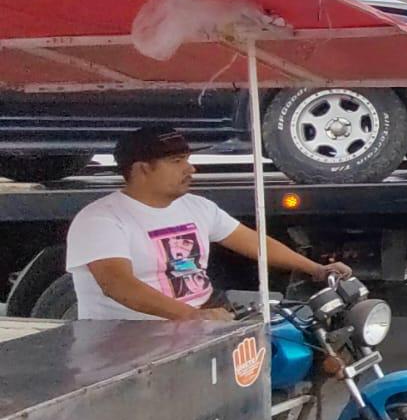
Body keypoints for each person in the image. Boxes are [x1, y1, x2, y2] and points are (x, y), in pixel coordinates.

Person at [65, 127, 352, 321]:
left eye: (187, 159)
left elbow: (254, 242)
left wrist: (316, 269)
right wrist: (192, 317)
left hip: (199, 322)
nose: (190, 169)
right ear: (141, 169)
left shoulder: (197, 207)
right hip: (131, 339)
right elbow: (118, 284)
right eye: (177, 161)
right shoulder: (101, 219)